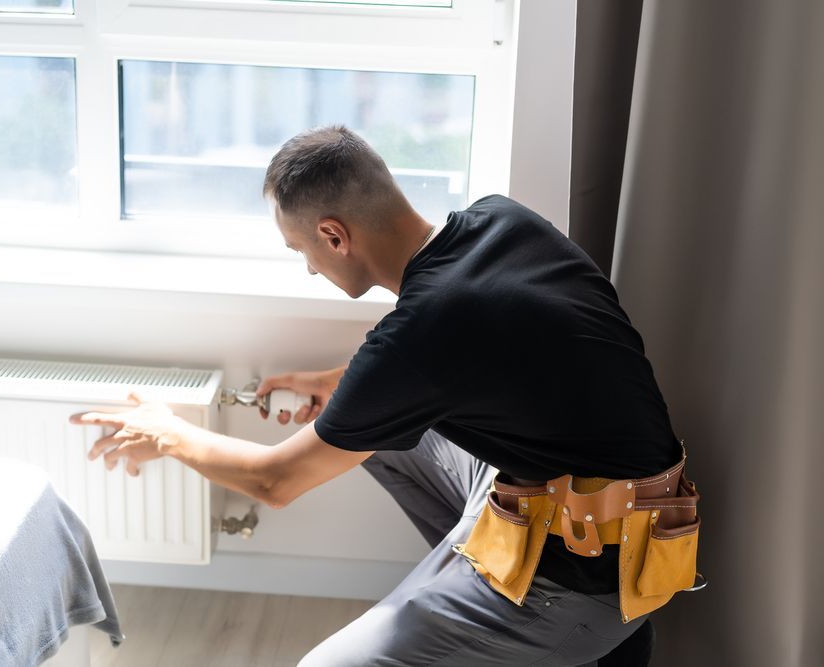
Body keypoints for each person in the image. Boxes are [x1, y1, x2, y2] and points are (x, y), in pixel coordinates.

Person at [71, 125, 691, 665]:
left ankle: (507, 620)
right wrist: (331, 386)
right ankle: (466, 588)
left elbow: (274, 482)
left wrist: (168, 434)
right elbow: (459, 359)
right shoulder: (501, 221)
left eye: (302, 250)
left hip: (588, 583)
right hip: (619, 512)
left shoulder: (425, 330)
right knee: (383, 442)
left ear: (335, 236)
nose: (310, 267)